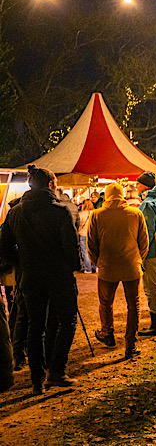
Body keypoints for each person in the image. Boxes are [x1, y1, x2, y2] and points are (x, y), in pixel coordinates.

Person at [0, 165, 82, 393]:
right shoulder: (60, 211)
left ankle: (37, 379)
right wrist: (73, 267)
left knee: (35, 327)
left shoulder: (15, 212)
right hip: (58, 277)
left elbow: (4, 247)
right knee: (67, 321)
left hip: (31, 276)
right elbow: (71, 247)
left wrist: (22, 261)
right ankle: (56, 370)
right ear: (50, 185)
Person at [88, 183, 149, 358]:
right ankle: (130, 343)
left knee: (106, 303)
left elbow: (91, 243)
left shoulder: (97, 215)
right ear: (122, 195)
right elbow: (144, 241)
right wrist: (138, 259)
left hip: (107, 266)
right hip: (131, 266)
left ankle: (108, 334)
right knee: (133, 305)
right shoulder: (135, 214)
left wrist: (98, 262)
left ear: (106, 196)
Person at [135, 171, 156, 337]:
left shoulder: (148, 204)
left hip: (152, 250)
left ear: (145, 185)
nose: (136, 186)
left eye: (138, 183)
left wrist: (142, 253)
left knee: (151, 287)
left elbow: (145, 232)